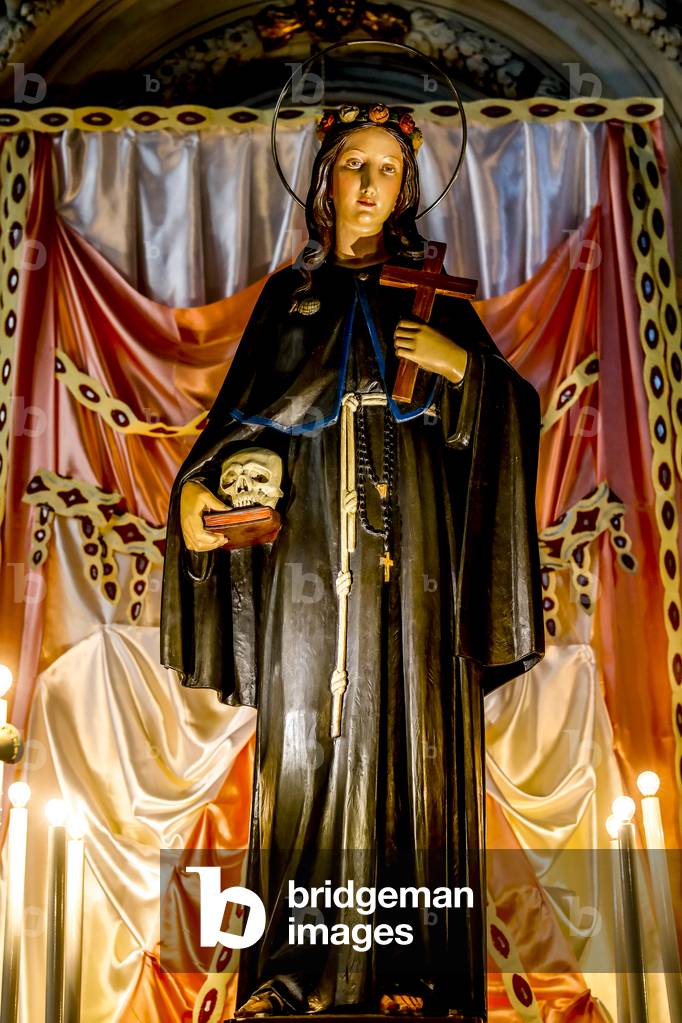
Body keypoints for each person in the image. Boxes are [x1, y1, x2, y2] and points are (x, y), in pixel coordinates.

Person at [161, 103, 544, 1020]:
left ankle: (423, 973)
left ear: (405, 191)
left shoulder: (436, 300)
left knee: (418, 741)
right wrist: (199, 498)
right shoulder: (287, 302)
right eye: (353, 165)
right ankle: (292, 976)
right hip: (306, 565)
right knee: (307, 744)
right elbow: (235, 429)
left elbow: (514, 420)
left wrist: (463, 370)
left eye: (387, 170)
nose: (370, 185)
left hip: (418, 564)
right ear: (324, 181)